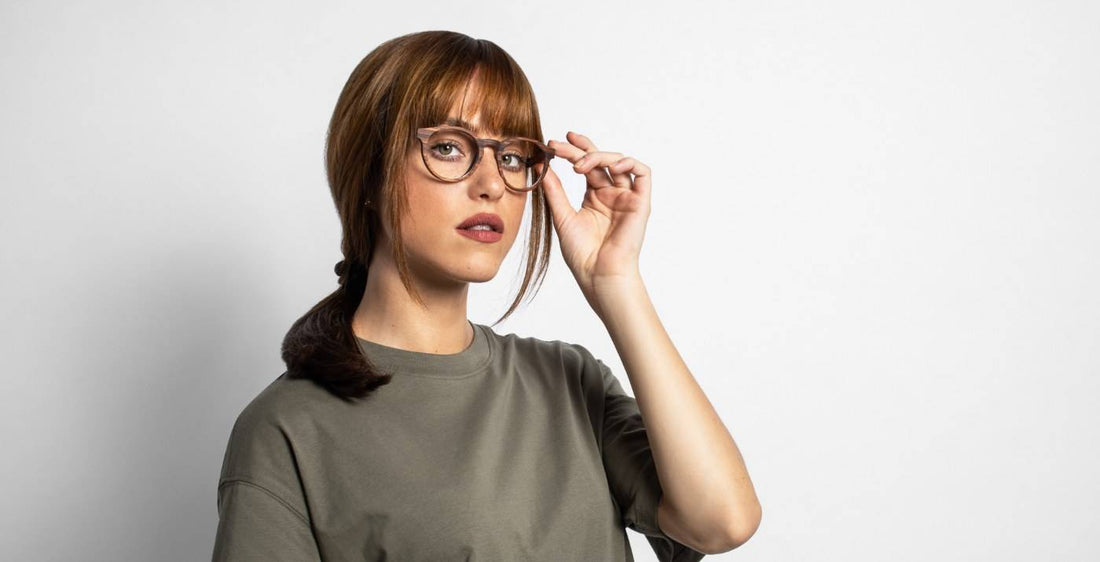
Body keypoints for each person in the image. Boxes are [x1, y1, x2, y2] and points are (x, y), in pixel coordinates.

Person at [212, 30, 761, 561]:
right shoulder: (287, 428)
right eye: (450, 148)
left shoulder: (569, 379)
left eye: (513, 157)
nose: (492, 183)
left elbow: (722, 522)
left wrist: (615, 284)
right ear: (369, 173)